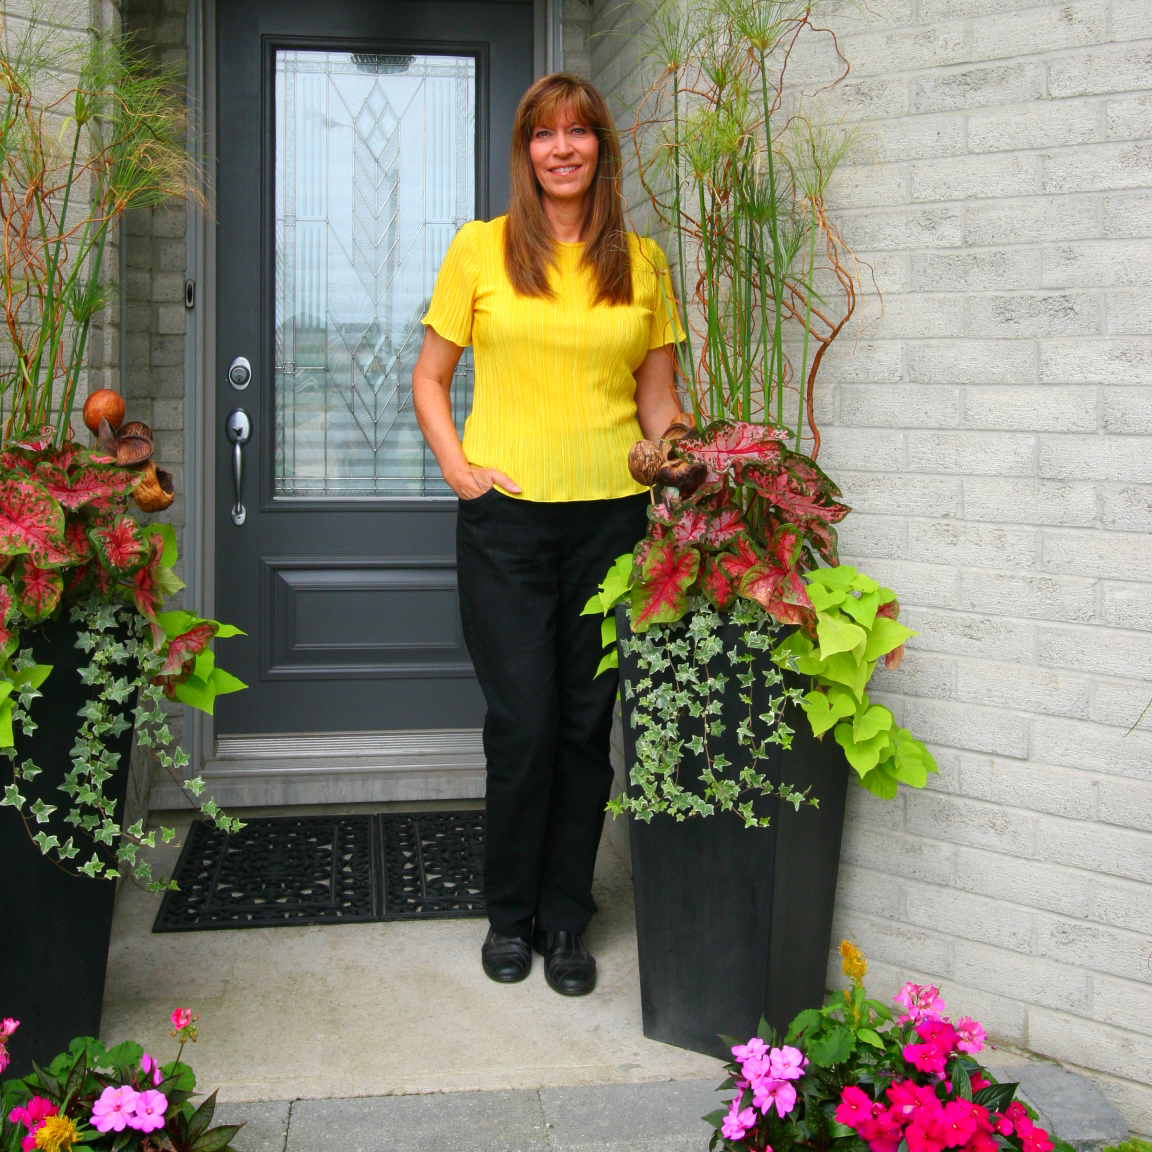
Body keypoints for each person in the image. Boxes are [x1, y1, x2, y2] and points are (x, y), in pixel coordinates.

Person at [412, 72, 685, 996]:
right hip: (507, 524)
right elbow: (429, 377)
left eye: (579, 132)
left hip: (614, 523)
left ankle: (566, 916)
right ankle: (508, 912)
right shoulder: (481, 249)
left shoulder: (641, 263)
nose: (562, 148)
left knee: (582, 725)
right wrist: (459, 468)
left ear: (602, 147)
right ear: (525, 150)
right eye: (544, 134)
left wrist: (692, 462)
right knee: (523, 723)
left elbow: (658, 401)